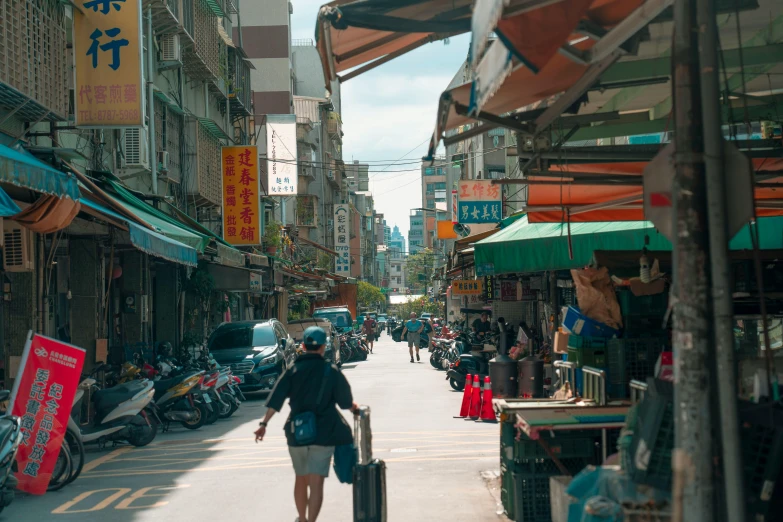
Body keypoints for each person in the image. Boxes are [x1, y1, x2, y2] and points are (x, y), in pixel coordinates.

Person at [254, 326, 358, 522]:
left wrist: (263, 424)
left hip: (297, 432)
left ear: (303, 346)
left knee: (301, 478)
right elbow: (345, 403)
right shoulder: (331, 371)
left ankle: (301, 518)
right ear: (323, 347)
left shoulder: (293, 370)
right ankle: (310, 521)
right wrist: (355, 408)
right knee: (316, 482)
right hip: (324, 433)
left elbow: (276, 399)